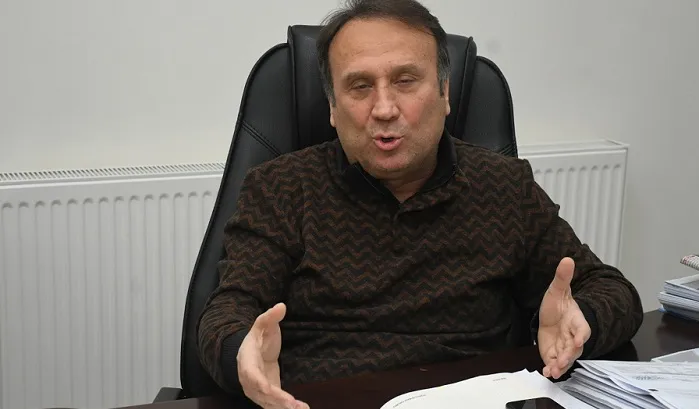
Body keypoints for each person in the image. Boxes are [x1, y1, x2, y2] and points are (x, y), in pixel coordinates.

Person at [197, 0, 644, 408]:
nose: (384, 108)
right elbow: (229, 310)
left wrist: (584, 320)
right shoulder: (281, 188)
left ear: (445, 93)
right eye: (359, 86)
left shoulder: (504, 186)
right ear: (332, 107)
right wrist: (240, 352)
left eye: (405, 81)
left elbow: (612, 290)